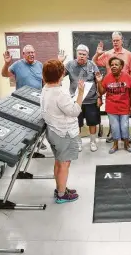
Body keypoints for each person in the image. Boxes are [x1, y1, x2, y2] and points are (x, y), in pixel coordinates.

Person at [40, 59, 81, 204]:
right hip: (64, 133)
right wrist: (81, 93)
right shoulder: (60, 93)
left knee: (58, 161)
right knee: (64, 164)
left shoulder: (45, 89)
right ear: (62, 75)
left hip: (53, 132)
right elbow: (75, 111)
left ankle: (60, 188)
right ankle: (62, 195)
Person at [64, 44, 101, 152]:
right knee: (77, 123)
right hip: (76, 101)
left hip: (91, 100)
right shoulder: (70, 65)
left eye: (84, 55)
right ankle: (78, 142)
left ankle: (93, 142)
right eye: (80, 54)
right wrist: (60, 62)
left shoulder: (92, 65)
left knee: (92, 122)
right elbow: (59, 76)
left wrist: (99, 97)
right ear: (76, 54)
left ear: (88, 56)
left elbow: (98, 81)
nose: (81, 56)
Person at [96, 57, 131, 154]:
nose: (113, 66)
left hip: (124, 107)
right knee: (115, 127)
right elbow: (102, 92)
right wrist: (99, 81)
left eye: (116, 64)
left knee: (124, 126)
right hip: (111, 108)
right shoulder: (107, 77)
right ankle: (115, 145)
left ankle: (126, 144)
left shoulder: (127, 77)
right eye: (112, 65)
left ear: (121, 66)